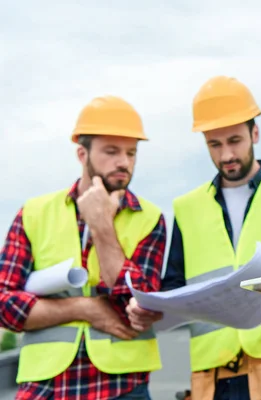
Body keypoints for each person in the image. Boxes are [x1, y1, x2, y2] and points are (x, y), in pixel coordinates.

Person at [127, 76, 261, 400]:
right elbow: (173, 287)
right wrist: (149, 307)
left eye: (235, 141)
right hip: (211, 375)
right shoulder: (186, 209)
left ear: (254, 134)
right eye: (215, 145)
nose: (226, 154)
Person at [0, 95, 167, 399]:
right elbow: (4, 306)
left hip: (122, 386)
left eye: (131, 152)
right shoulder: (34, 213)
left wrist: (102, 226)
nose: (124, 162)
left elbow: (135, 306)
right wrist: (83, 307)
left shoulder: (150, 218)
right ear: (82, 154)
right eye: (111, 151)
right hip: (45, 386)